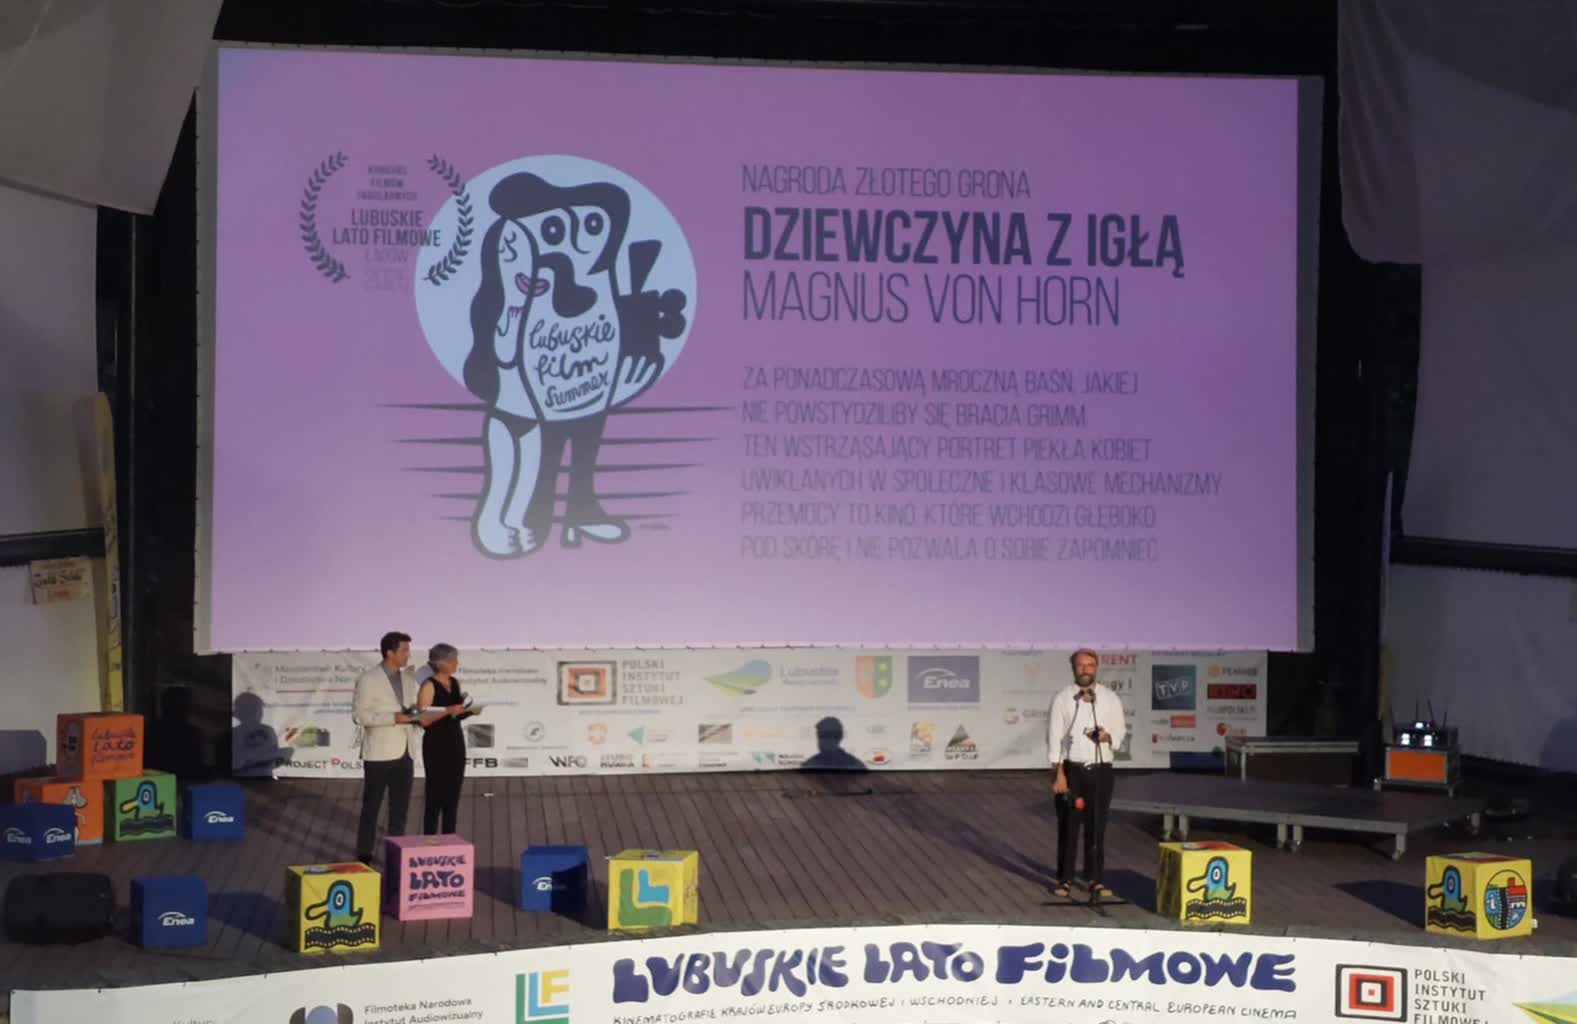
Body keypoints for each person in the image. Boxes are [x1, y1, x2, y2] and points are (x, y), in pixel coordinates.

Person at [1048, 648, 1126, 899]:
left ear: (1096, 668)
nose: (1085, 670)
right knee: (1069, 826)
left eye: (1090, 665)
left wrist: (1107, 736)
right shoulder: (1063, 698)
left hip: (1101, 771)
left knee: (1097, 827)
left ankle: (1095, 879)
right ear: (1073, 668)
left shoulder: (1110, 698)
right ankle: (1065, 879)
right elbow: (1055, 738)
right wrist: (1058, 774)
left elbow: (1120, 732)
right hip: (1072, 771)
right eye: (1081, 665)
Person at [351, 631, 422, 863]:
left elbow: (409, 708)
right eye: (404, 650)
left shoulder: (407, 677)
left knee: (400, 810)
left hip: (406, 751)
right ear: (390, 652)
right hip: (379, 754)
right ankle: (364, 857)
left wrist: (418, 715)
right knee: (371, 808)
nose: (408, 654)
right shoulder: (368, 679)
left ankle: (396, 856)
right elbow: (360, 716)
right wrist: (394, 718)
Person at [415, 643, 481, 834]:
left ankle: (449, 839)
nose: (456, 664)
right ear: (441, 663)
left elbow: (454, 716)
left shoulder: (455, 683)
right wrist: (447, 710)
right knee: (435, 796)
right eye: (452, 660)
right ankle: (429, 840)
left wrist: (470, 711)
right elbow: (423, 720)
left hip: (455, 742)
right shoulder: (428, 686)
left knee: (452, 796)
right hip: (436, 745)